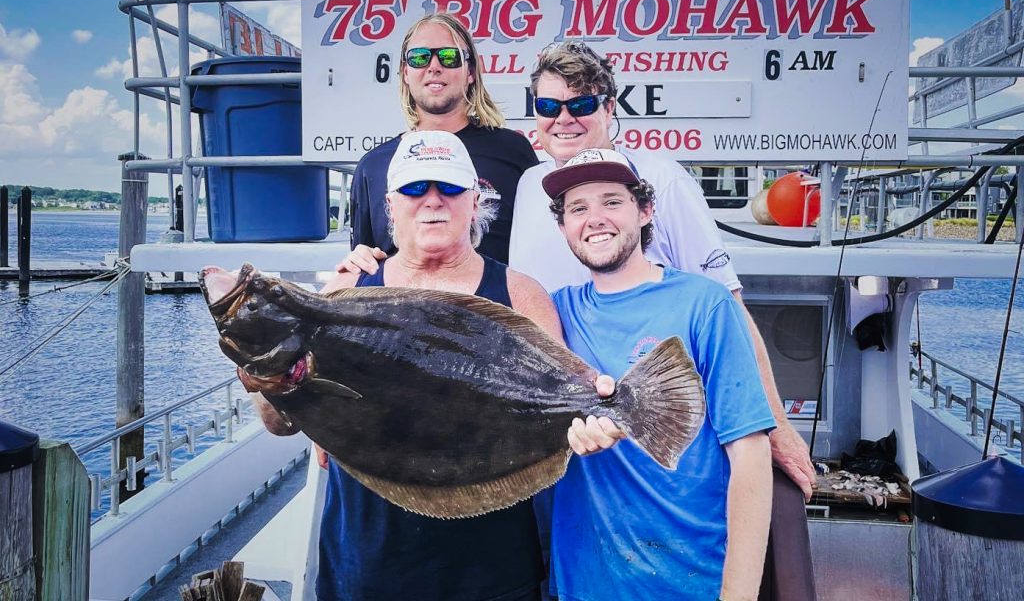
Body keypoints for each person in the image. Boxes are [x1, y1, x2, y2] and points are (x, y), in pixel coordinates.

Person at [508, 40, 816, 601]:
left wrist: (774, 424)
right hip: (580, 525)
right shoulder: (533, 192)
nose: (564, 118)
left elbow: (728, 306)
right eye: (549, 106)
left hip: (682, 527)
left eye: (582, 104)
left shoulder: (666, 189)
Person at [242, 130, 609, 601]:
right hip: (368, 556)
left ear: (474, 202)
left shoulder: (520, 294)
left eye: (449, 187)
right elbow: (279, 423)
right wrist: (265, 371)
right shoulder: (343, 293)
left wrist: (597, 416)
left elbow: (562, 403)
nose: (432, 200)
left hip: (493, 563)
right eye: (415, 188)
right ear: (390, 205)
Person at [544, 147, 775, 601]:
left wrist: (739, 594)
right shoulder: (554, 312)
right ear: (563, 226)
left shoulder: (705, 304)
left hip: (692, 579)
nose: (595, 219)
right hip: (584, 584)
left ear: (646, 210)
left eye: (612, 201)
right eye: (578, 208)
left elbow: (750, 451)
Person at [347, 12, 538, 265]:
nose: (434, 66)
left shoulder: (513, 151)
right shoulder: (372, 166)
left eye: (449, 57)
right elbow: (365, 261)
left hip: (494, 291)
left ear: (470, 72)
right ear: (405, 72)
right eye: (419, 57)